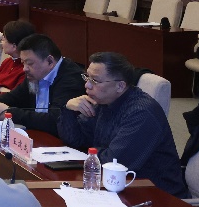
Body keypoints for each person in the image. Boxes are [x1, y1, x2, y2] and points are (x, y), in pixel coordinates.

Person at [58, 52, 189, 197]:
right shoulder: (103, 102)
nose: (87, 85)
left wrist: (91, 153)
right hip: (121, 188)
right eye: (87, 77)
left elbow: (114, 163)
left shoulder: (142, 113)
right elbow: (76, 140)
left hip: (158, 196)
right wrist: (68, 109)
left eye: (95, 80)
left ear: (120, 86)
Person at [0, 34, 86, 134]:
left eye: (29, 63)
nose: (24, 68)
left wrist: (9, 113)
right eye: (23, 63)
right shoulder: (35, 73)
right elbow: (15, 96)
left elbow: (55, 120)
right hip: (36, 134)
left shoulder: (71, 80)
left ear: (50, 61)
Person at [0, 19, 36, 95]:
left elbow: (13, 97)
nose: (1, 43)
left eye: (4, 39)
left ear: (14, 46)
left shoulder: (25, 70)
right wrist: (0, 88)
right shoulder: (8, 61)